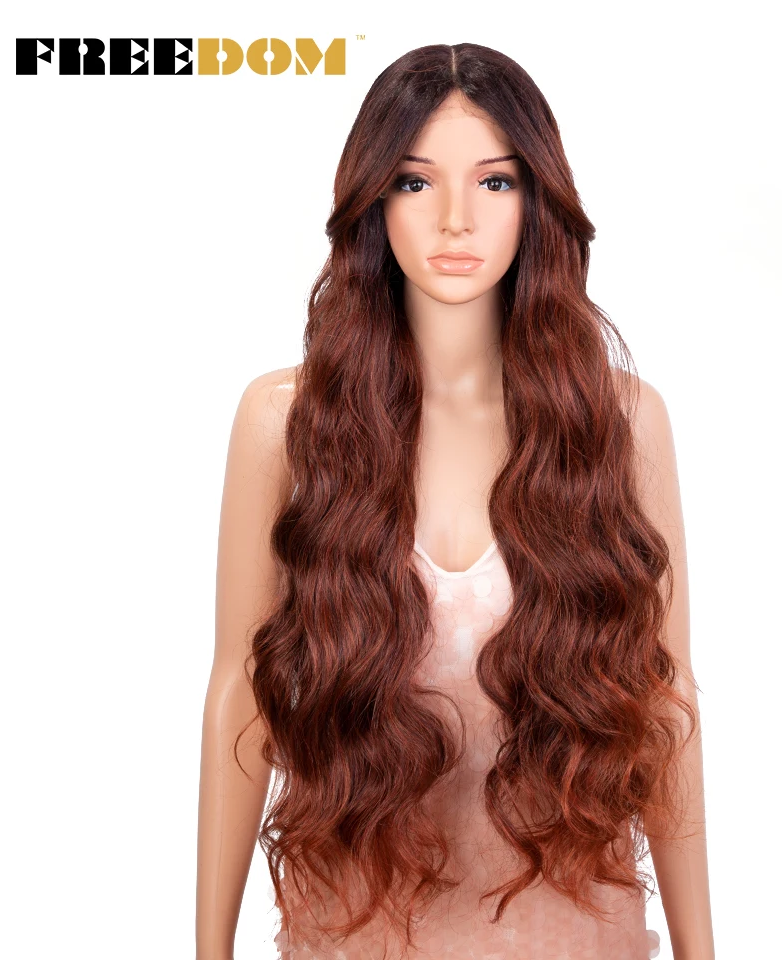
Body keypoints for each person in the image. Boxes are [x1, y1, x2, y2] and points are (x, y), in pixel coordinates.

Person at [197, 43, 714, 960]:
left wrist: (700, 947)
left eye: (495, 182)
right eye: (415, 182)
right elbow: (239, 687)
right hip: (356, 933)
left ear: (537, 201)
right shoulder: (286, 422)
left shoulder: (622, 424)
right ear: (373, 201)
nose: (454, 219)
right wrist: (209, 949)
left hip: (572, 934)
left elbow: (667, 705)